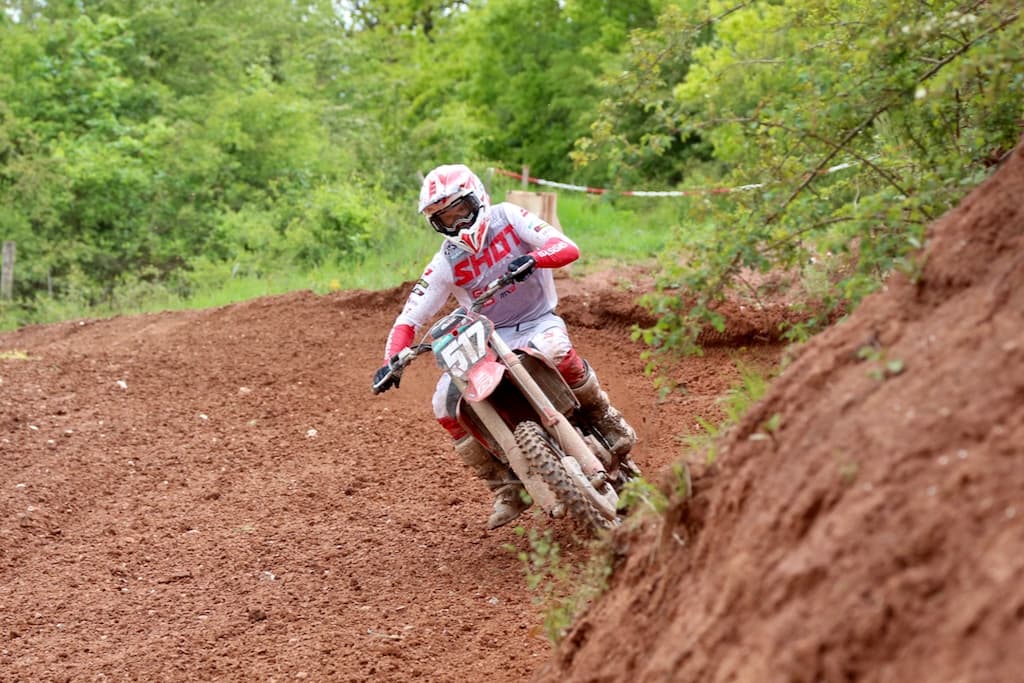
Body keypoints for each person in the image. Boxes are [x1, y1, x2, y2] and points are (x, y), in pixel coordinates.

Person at [372, 164, 636, 529]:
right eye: (445, 219)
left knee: (556, 351)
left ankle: (603, 416)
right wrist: (392, 361)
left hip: (537, 320)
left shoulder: (509, 217)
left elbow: (567, 247)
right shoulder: (445, 261)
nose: (457, 224)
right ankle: (504, 483)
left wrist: (535, 258)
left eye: (460, 211)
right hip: (487, 337)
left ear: (477, 198)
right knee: (444, 404)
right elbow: (409, 319)